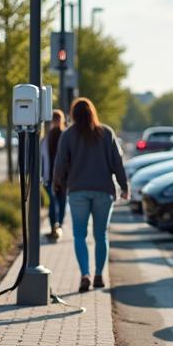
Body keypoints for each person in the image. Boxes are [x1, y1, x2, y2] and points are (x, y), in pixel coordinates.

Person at [52, 97, 129, 292]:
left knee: (79, 234)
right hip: (104, 191)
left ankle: (85, 273)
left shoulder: (68, 135)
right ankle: (98, 275)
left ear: (73, 115)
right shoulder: (106, 133)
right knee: (101, 234)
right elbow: (117, 163)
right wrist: (124, 186)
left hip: (78, 190)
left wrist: (56, 183)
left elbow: (60, 163)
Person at [41, 109, 67, 242]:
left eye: (57, 119)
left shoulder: (65, 135)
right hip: (50, 177)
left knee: (60, 203)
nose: (55, 122)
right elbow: (42, 156)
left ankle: (58, 226)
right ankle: (54, 227)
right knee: (53, 203)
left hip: (62, 177)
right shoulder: (47, 136)